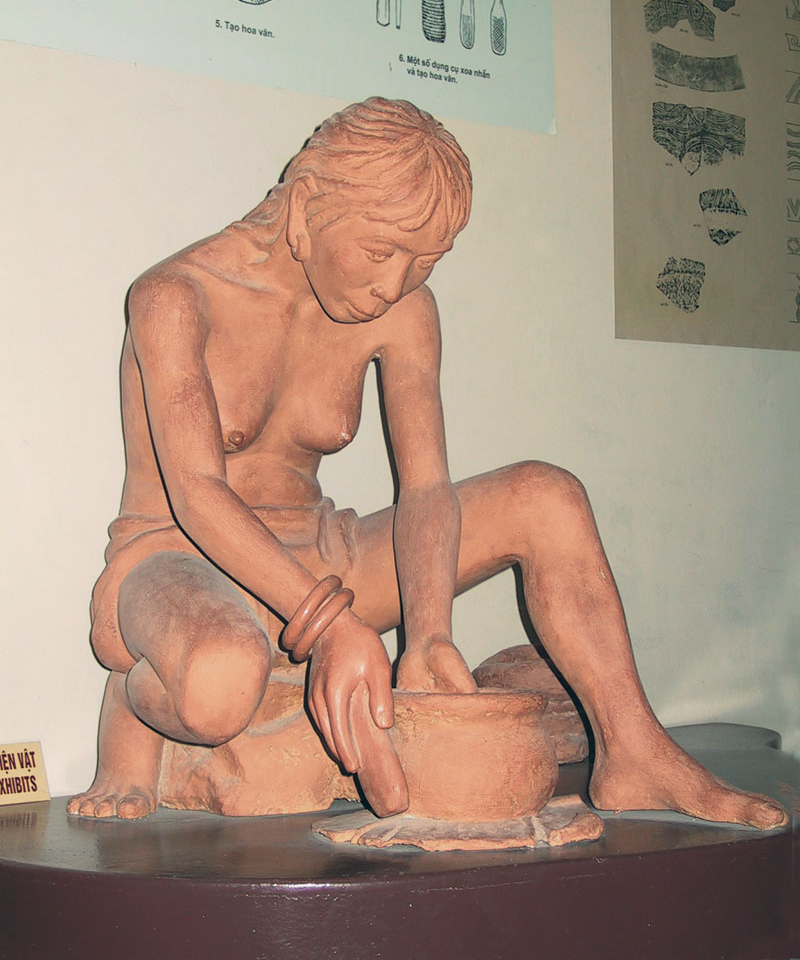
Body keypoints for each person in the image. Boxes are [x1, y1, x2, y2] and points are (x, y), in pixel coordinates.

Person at [68, 97, 786, 828]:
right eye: (381, 252)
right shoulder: (175, 297)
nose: (395, 284)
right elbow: (196, 492)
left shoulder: (405, 308)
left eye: (426, 261)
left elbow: (426, 488)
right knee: (219, 686)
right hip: (178, 560)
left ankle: (634, 750)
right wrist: (331, 625)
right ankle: (135, 693)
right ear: (308, 204)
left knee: (546, 497)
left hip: (322, 552)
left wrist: (430, 633)